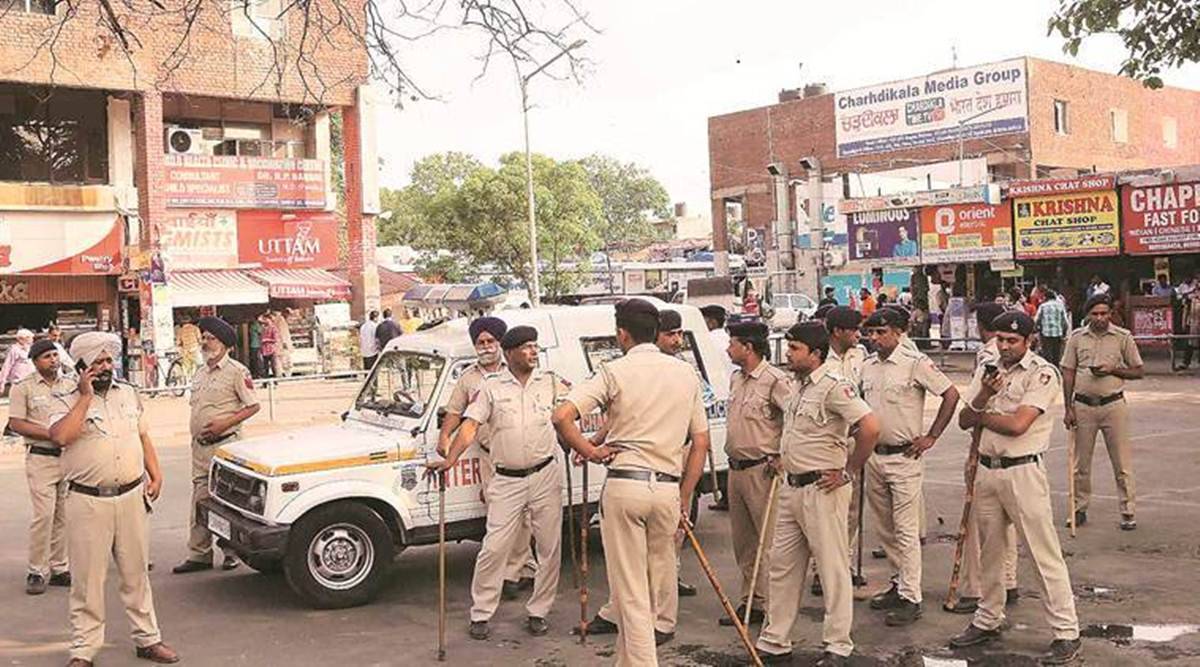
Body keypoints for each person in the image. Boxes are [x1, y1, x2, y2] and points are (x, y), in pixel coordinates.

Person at [553, 298, 712, 667]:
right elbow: (700, 442)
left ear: (621, 334)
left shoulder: (614, 371)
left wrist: (590, 452)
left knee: (632, 592)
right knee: (656, 584)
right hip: (669, 487)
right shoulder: (685, 373)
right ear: (656, 333)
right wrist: (684, 499)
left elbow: (562, 416)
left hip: (627, 485)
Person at [950, 311, 1081, 666]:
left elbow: (1018, 425)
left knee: (1042, 553)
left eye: (1012, 341)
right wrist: (981, 400)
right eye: (1000, 340)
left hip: (1023, 471)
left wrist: (981, 415)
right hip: (987, 470)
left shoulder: (1042, 372)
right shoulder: (988, 368)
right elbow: (964, 419)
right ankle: (988, 618)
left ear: (1029, 341)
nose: (1004, 347)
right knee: (990, 552)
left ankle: (1066, 631)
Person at [47, 332, 179, 665]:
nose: (106, 367)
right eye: (98, 362)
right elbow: (61, 436)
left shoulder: (129, 394)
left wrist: (156, 473)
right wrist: (85, 397)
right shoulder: (62, 397)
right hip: (88, 502)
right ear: (80, 366)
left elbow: (143, 435)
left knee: (136, 575)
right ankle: (84, 651)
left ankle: (148, 639)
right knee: (87, 581)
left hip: (132, 497)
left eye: (109, 360)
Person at [428, 326, 567, 640]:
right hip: (506, 479)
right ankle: (481, 613)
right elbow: (470, 426)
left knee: (549, 549)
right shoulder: (490, 387)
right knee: (493, 548)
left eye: (535, 346)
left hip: (545, 474)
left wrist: (584, 446)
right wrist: (450, 460)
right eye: (527, 347)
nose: (533, 352)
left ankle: (539, 611)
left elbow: (566, 418)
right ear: (510, 352)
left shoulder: (550, 383)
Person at [755, 322, 880, 666]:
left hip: (822, 489)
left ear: (815, 353)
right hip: (792, 487)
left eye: (795, 349)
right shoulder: (797, 385)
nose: (788, 355)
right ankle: (775, 640)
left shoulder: (834, 386)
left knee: (831, 568)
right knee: (782, 566)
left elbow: (870, 427)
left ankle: (838, 644)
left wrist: (848, 470)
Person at [585, 309, 701, 641]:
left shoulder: (684, 373)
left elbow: (699, 440)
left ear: (624, 334)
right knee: (626, 560)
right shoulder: (627, 371)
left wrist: (685, 494)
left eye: (680, 335)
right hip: (639, 473)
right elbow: (621, 417)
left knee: (661, 558)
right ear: (655, 335)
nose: (676, 341)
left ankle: (660, 621)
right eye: (671, 335)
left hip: (669, 464)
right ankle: (619, 612)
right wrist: (593, 444)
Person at [860, 308, 960, 626]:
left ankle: (911, 597)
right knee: (885, 529)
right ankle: (897, 582)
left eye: (881, 332)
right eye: (871, 333)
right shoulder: (867, 367)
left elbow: (951, 394)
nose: (874, 338)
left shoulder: (914, 363)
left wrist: (931, 436)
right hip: (874, 456)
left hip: (905, 457)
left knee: (905, 530)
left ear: (899, 332)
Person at [436, 316, 537, 598]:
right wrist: (445, 437)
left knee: (524, 518)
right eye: (480, 342)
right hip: (490, 457)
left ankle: (515, 573)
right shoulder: (468, 377)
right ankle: (521, 569)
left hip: (523, 455)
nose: (485, 346)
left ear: (501, 344)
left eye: (490, 341)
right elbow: (456, 412)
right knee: (500, 517)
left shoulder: (519, 369)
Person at [172, 317, 261, 574]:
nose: (206, 342)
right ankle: (199, 554)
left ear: (224, 344)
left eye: (211, 339)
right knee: (199, 501)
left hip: (225, 446)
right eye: (205, 338)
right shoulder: (200, 371)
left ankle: (231, 552)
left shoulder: (236, 371)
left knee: (227, 503)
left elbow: (253, 406)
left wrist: (225, 424)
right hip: (200, 449)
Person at [950, 302, 1020, 615]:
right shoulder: (1019, 357)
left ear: (981, 326)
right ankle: (1008, 580)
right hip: (1013, 447)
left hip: (988, 442)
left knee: (982, 521)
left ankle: (976, 588)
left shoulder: (988, 357)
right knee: (1007, 521)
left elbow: (972, 413)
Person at [722, 320, 791, 626]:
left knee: (770, 542)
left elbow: (796, 418)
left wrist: (781, 455)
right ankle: (752, 601)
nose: (728, 348)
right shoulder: (736, 378)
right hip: (736, 469)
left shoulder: (775, 380)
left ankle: (775, 607)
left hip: (763, 469)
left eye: (732, 343)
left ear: (748, 347)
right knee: (745, 543)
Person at [1061, 294, 1144, 531]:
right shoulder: (1076, 338)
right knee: (1080, 464)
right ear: (1087, 315)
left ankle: (1128, 511)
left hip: (1113, 405)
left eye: (1104, 313)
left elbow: (1138, 371)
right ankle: (1078, 509)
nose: (1100, 318)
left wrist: (1113, 370)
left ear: (1110, 313)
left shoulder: (1122, 337)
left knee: (1122, 462)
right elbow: (1068, 372)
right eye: (1095, 314)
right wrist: (1068, 408)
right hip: (1083, 406)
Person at [7, 338, 74, 595]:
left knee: (63, 515)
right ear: (35, 362)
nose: (53, 361)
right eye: (46, 357)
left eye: (55, 356)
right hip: (40, 457)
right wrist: (50, 433)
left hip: (67, 456)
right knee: (43, 516)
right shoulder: (23, 388)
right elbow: (16, 423)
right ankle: (36, 570)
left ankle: (60, 568)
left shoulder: (70, 385)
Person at [810, 306, 867, 596]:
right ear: (836, 332)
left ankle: (842, 562)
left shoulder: (860, 355)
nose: (858, 334)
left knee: (852, 509)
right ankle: (821, 569)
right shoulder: (819, 358)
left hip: (855, 438)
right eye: (853, 329)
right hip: (828, 441)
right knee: (826, 509)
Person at [700, 303, 732, 510]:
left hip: (715, 396)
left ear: (710, 321)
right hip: (730, 394)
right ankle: (727, 496)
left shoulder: (709, 340)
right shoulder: (729, 340)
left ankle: (727, 497)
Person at [1035, 289, 1071, 367]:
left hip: (1046, 334)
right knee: (1056, 355)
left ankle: (1049, 370)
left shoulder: (1043, 306)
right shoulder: (1060, 306)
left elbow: (1037, 319)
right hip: (1058, 334)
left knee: (1047, 355)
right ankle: (1056, 370)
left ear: (1046, 297)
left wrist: (1037, 328)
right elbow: (1065, 321)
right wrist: (1064, 332)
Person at [1, 328, 36, 396]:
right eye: (30, 338)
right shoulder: (14, 350)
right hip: (18, 381)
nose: (32, 340)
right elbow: (7, 366)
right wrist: (2, 383)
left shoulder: (30, 349)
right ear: (22, 339)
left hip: (30, 380)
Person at [272, 309, 295, 377]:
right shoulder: (281, 320)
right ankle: (286, 374)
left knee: (279, 360)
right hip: (282, 344)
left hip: (278, 344)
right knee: (285, 360)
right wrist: (285, 343)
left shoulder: (277, 320)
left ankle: (279, 374)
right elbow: (282, 332)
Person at [259, 313, 278, 379]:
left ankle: (275, 381)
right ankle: (265, 382)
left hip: (271, 349)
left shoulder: (273, 328)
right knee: (265, 367)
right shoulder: (263, 328)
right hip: (264, 350)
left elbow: (275, 339)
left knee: (273, 366)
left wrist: (266, 340)